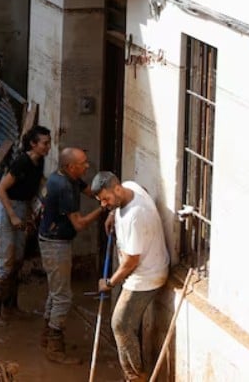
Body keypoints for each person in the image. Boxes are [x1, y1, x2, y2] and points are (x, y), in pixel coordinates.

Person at [92, 172, 169, 382]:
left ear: (117, 189)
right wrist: (112, 215)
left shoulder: (135, 217)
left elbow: (130, 262)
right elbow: (142, 188)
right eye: (101, 201)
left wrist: (109, 283)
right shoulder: (129, 186)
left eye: (106, 199)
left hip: (146, 275)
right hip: (142, 267)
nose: (104, 204)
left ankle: (135, 377)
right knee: (123, 323)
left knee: (121, 324)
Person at [37, 147, 104, 364]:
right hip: (55, 244)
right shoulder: (64, 186)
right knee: (63, 297)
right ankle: (55, 347)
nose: (87, 166)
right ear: (70, 166)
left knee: (55, 292)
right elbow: (79, 224)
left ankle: (47, 337)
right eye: (83, 163)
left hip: (52, 239)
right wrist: (104, 209)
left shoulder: (68, 177)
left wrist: (108, 192)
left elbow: (89, 192)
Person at [0, 125, 51, 326]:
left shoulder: (39, 162)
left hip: (23, 208)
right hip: (7, 209)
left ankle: (11, 306)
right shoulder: (22, 162)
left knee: (17, 261)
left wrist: (31, 212)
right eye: (45, 143)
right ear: (33, 144)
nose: (48, 147)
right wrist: (13, 216)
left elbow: (34, 189)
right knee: (4, 262)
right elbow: (1, 189)